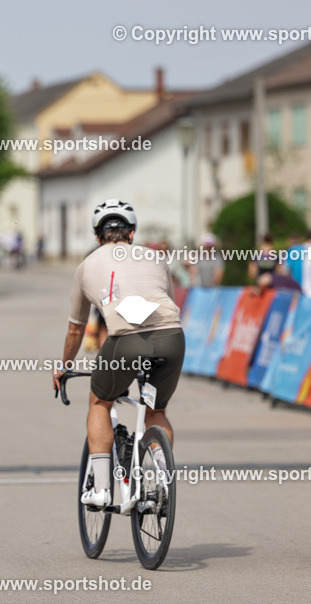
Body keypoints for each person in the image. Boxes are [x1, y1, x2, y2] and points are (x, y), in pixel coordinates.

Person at [53, 199, 185, 507]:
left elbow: (75, 331)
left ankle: (101, 489)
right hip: (172, 338)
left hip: (126, 341)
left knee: (100, 400)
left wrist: (63, 367)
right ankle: (164, 485)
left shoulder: (86, 266)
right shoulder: (155, 257)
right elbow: (167, 300)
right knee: (156, 410)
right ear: (132, 233)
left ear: (97, 236)